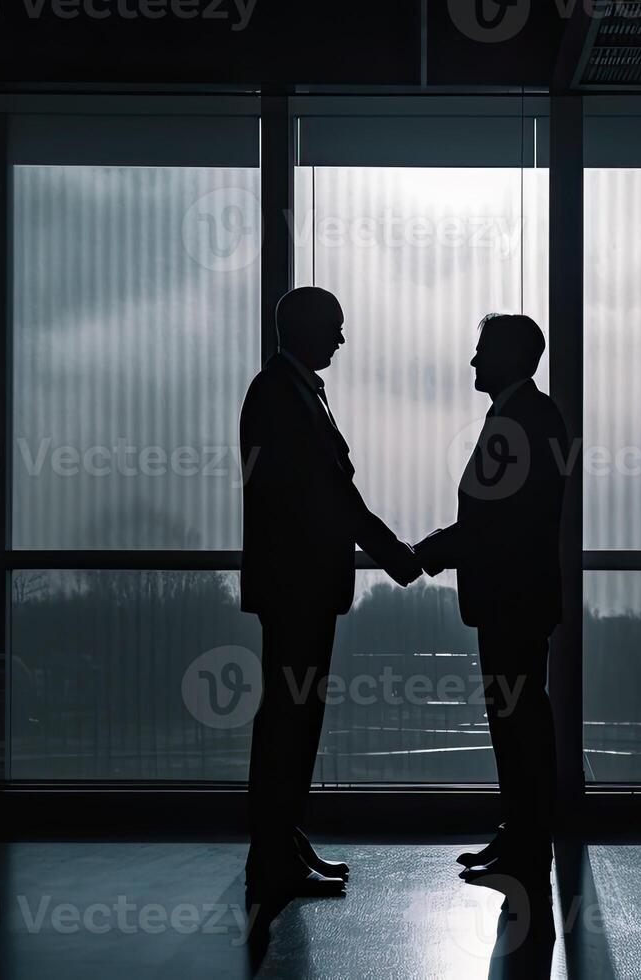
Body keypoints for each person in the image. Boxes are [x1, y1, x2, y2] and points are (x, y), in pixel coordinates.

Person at [239, 286, 423, 900]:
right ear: (307, 329)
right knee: (290, 720)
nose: (343, 339)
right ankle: (274, 852)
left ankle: (283, 841)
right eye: (336, 327)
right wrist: (395, 553)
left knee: (295, 719)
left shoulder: (292, 392)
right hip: (298, 587)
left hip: (299, 587)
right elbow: (328, 499)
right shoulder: (280, 396)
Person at [414, 313, 569, 883]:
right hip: (514, 598)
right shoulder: (525, 416)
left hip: (512, 599)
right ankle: (521, 834)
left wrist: (431, 549)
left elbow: (497, 520)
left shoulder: (523, 420)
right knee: (514, 719)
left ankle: (528, 842)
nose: (473, 362)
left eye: (482, 350)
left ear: (508, 356)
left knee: (518, 720)